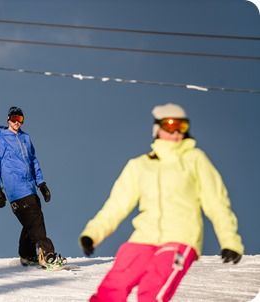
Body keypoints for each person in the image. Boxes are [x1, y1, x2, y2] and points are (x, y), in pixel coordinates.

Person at [79, 103, 244, 302]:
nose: (176, 132)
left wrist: (229, 241)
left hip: (180, 237)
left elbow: (216, 201)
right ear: (157, 129)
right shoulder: (139, 165)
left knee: (152, 294)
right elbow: (117, 204)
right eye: (170, 125)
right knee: (111, 290)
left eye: (182, 127)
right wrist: (92, 234)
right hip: (143, 237)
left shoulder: (194, 159)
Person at [0, 106, 62, 267]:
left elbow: (33, 161)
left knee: (31, 221)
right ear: (8, 119)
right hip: (15, 190)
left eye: (19, 119)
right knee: (36, 222)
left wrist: (41, 184)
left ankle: (28, 255)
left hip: (30, 188)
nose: (16, 122)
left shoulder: (25, 138)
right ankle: (48, 256)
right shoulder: (0, 141)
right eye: (14, 118)